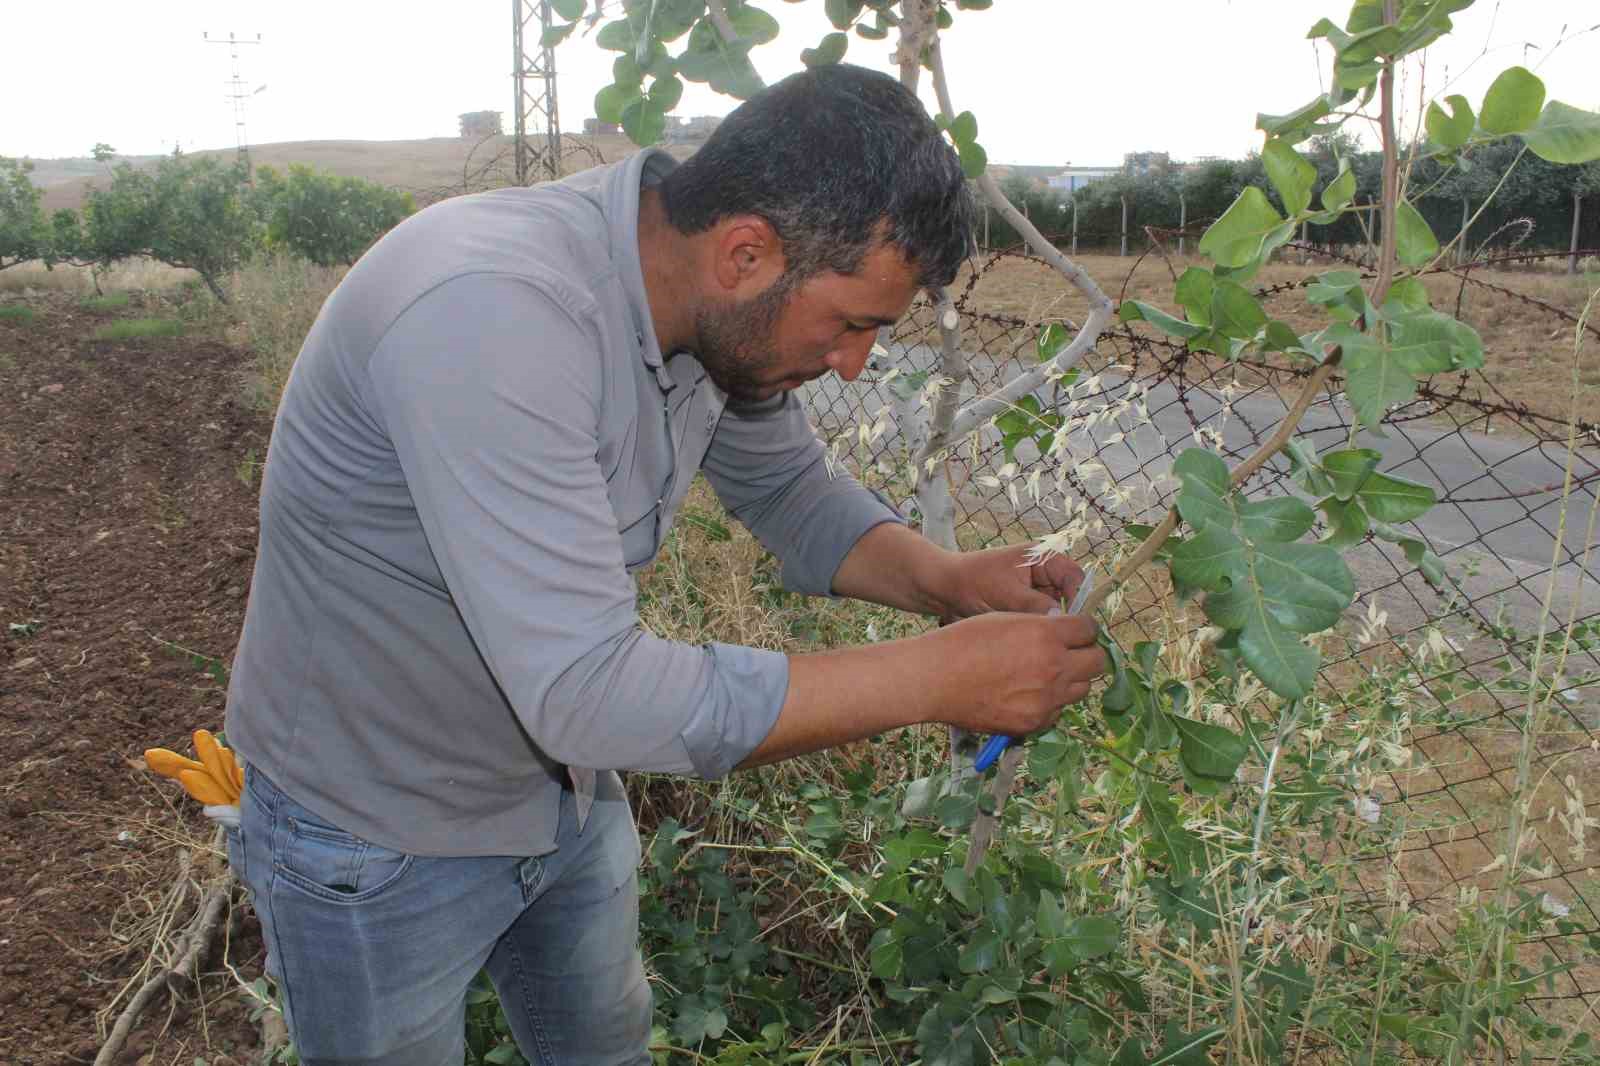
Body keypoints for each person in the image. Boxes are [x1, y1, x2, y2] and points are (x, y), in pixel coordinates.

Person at [222, 63, 1105, 1066]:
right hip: (371, 826)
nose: (854, 361)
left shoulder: (706, 313)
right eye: (854, 322)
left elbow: (794, 494)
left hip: (560, 795)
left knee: (603, 1045)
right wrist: (944, 678)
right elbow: (589, 689)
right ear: (744, 252)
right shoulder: (491, 311)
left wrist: (947, 580)